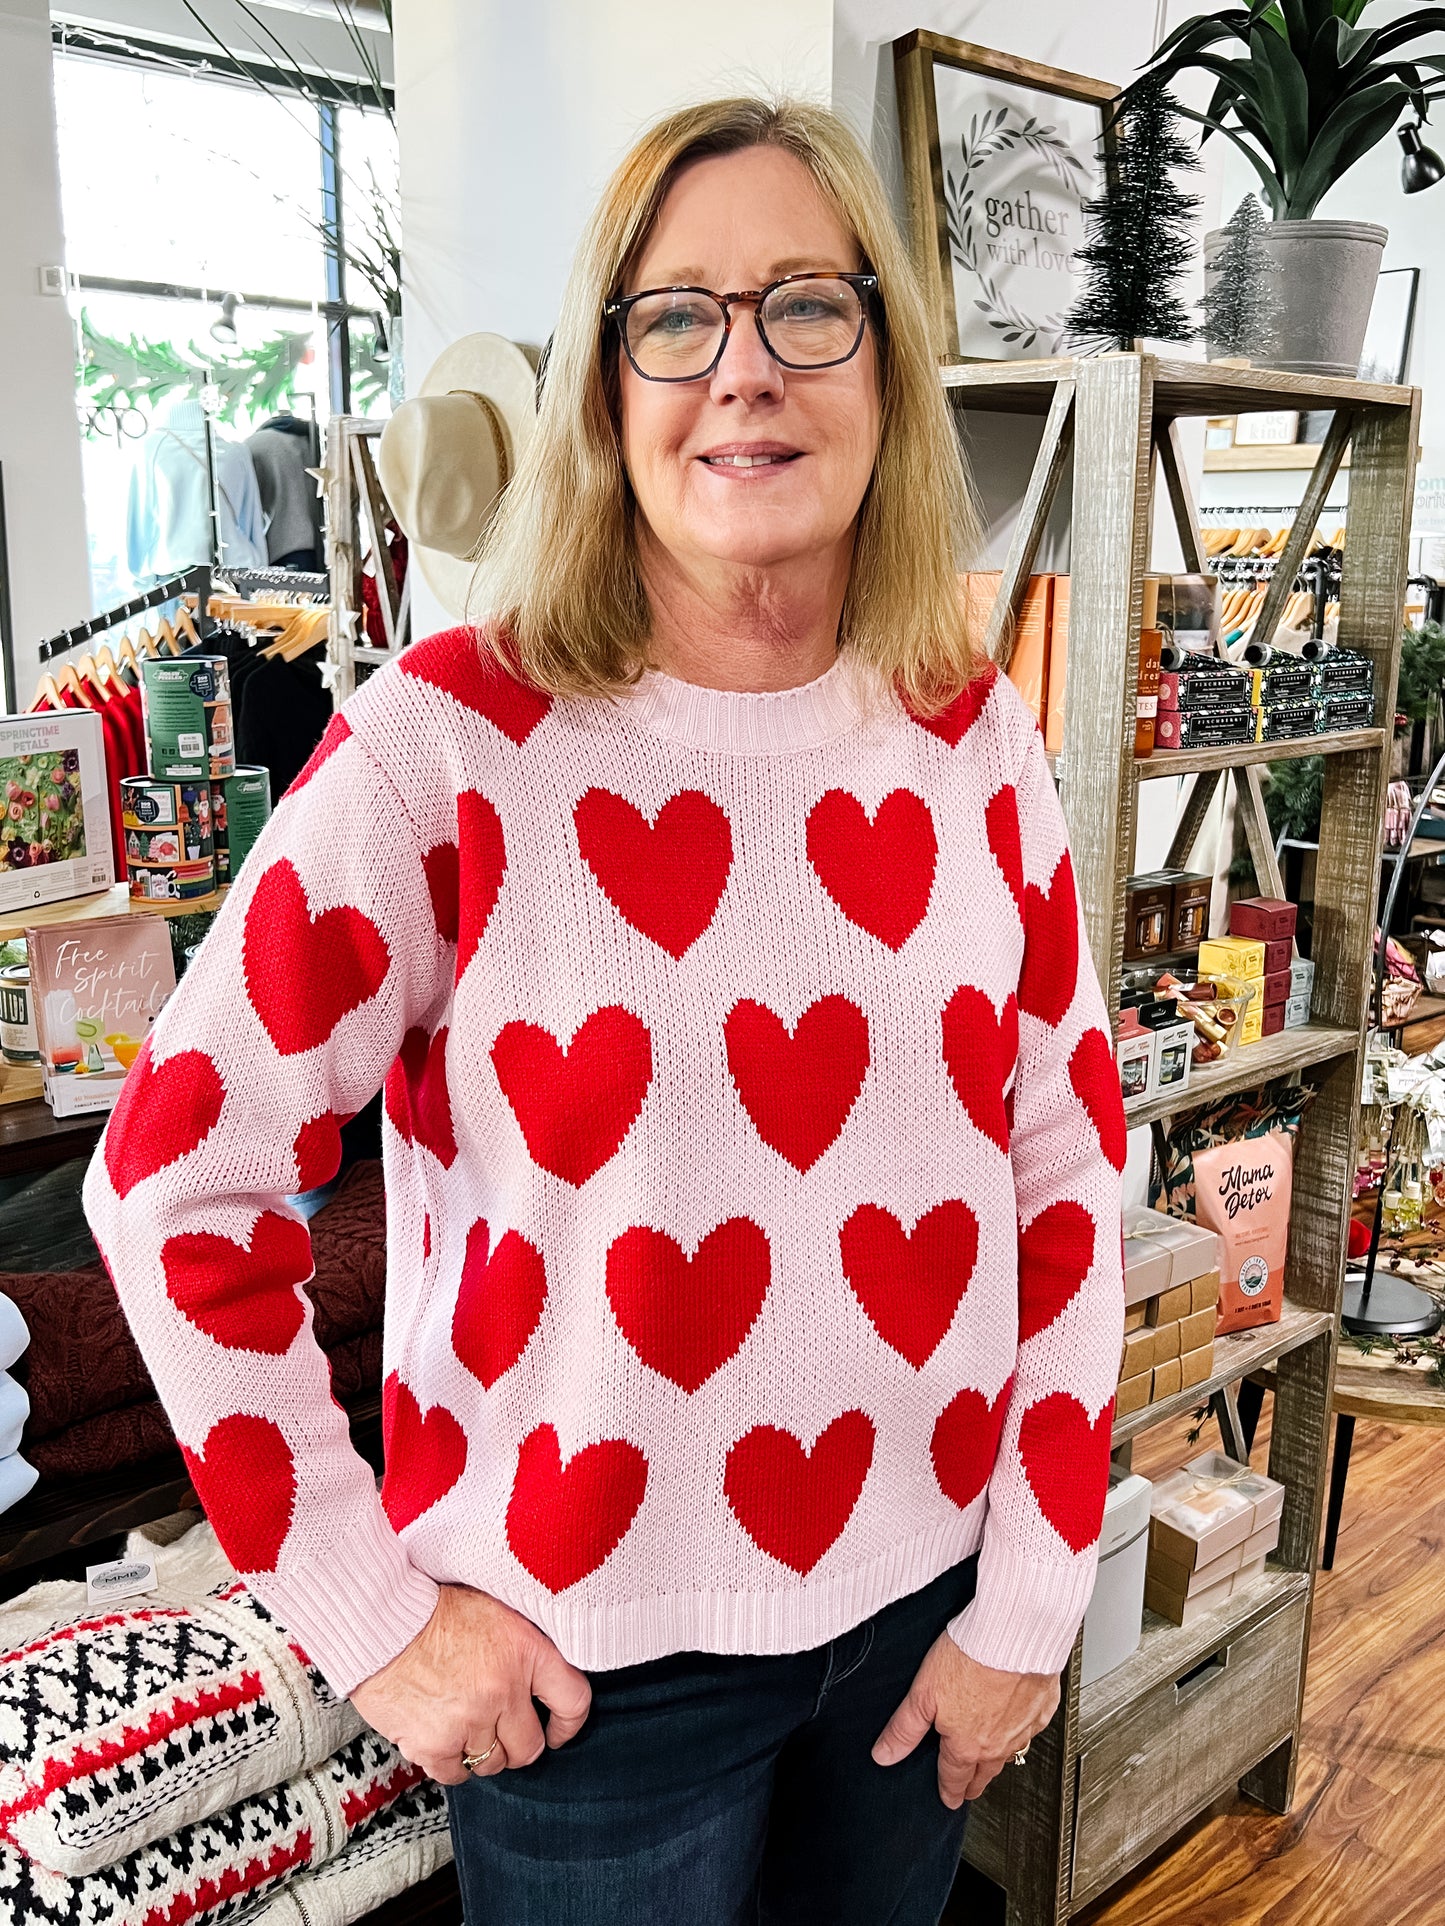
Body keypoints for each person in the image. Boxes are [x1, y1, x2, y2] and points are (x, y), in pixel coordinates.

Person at [85, 96, 1124, 1926]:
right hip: (584, 1684)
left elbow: (1065, 1166)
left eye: (807, 304)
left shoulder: (973, 736)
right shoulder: (446, 744)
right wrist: (367, 1614)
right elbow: (176, 1176)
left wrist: (1033, 1597)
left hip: (921, 1623)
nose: (744, 368)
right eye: (677, 317)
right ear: (605, 384)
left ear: (886, 364)